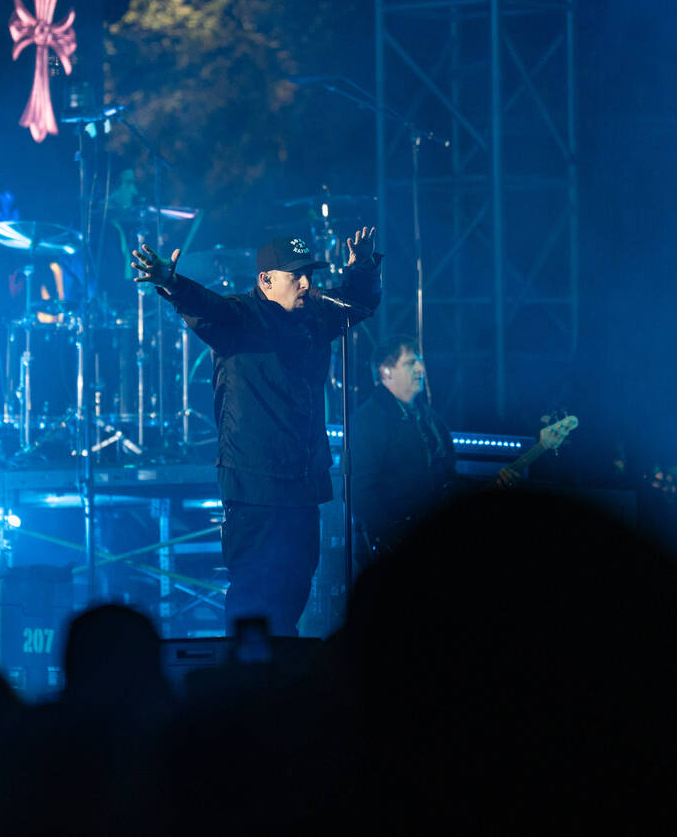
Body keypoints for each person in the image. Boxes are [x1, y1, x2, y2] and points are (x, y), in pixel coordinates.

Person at [132, 228, 379, 635]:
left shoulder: (315, 316)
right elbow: (206, 305)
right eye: (295, 275)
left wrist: (364, 267)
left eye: (310, 274)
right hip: (255, 487)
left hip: (304, 484)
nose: (307, 283)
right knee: (254, 596)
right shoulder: (239, 318)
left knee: (296, 588)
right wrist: (169, 282)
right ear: (266, 280)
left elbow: (360, 302)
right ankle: (248, 686)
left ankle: (283, 680)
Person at [349, 337, 518, 558]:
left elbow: (448, 480)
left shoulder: (429, 419)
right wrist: (393, 536)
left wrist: (491, 484)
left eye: (420, 361)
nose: (421, 368)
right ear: (386, 371)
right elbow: (358, 492)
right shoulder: (367, 421)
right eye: (411, 362)